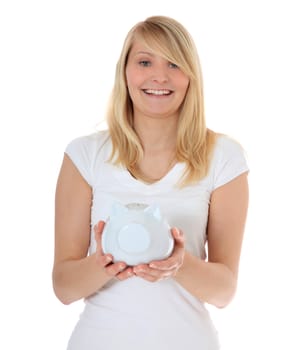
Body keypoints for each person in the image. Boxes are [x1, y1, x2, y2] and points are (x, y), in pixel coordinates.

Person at [53, 15, 249, 350]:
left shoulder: (223, 157)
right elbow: (64, 287)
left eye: (174, 63)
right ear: (125, 72)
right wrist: (103, 263)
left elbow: (224, 291)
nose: (159, 76)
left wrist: (178, 264)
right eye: (145, 61)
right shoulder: (84, 155)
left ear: (190, 76)